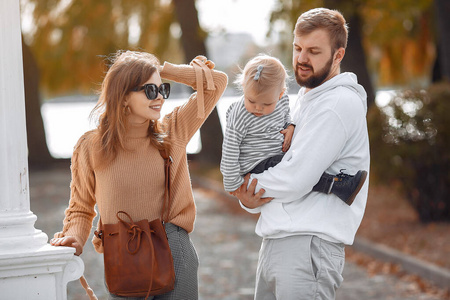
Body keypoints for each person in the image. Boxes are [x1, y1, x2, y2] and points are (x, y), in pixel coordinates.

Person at [50, 50, 228, 299]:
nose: (160, 98)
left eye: (162, 89)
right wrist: (73, 237)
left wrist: (159, 69)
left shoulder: (173, 130)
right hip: (123, 256)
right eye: (149, 91)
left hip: (175, 250)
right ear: (123, 96)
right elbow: (80, 207)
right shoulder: (90, 147)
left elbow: (217, 83)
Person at [233, 8, 370, 300]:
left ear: (338, 55)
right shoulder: (307, 97)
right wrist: (248, 200)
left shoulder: (337, 104)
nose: (301, 59)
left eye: (313, 51)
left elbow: (296, 177)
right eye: (297, 48)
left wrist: (245, 187)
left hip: (308, 247)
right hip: (277, 241)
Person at [221, 54, 367, 205]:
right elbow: (230, 150)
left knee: (300, 162)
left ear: (280, 94)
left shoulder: (282, 101)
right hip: (255, 163)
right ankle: (336, 185)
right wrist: (234, 184)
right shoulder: (239, 115)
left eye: (266, 104)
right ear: (244, 88)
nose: (258, 107)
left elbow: (284, 116)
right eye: (251, 101)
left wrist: (290, 126)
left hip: (275, 152)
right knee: (297, 169)